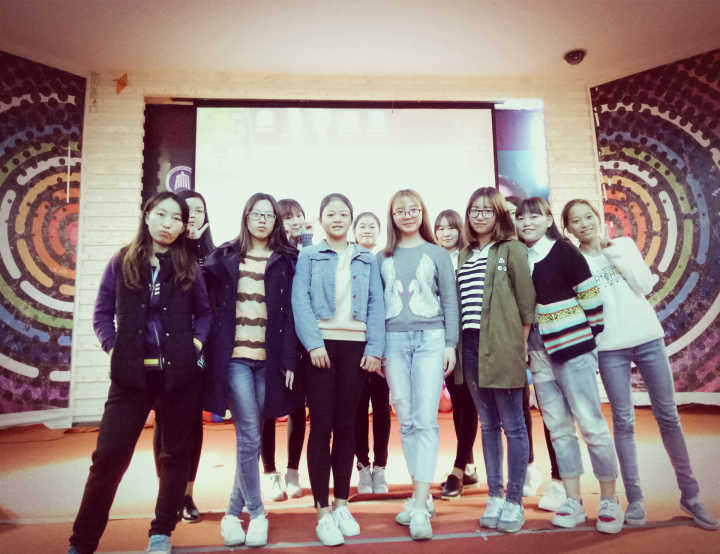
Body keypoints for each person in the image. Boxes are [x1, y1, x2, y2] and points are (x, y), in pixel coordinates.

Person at [562, 199, 719, 531]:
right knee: (623, 422)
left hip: (648, 339)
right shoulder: (574, 261)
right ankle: (635, 499)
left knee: (668, 416)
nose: (584, 223)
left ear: (597, 217)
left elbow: (644, 285)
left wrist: (613, 253)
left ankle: (691, 496)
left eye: (588, 216)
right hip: (609, 348)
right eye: (576, 220)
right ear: (568, 228)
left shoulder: (623, 247)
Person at [68, 192, 212, 554]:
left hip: (179, 378)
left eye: (176, 218)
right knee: (108, 459)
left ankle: (161, 533)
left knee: (175, 455)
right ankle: (82, 542)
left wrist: (194, 346)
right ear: (146, 216)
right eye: (161, 214)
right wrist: (113, 348)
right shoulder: (122, 261)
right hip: (130, 378)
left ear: (183, 226)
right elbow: (102, 313)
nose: (168, 224)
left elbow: (205, 313)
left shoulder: (188, 266)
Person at [516, 197, 624, 534]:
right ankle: (573, 501)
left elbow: (591, 299)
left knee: (591, 425)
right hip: (538, 356)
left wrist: (582, 341)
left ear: (549, 219)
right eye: (521, 218)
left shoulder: (564, 251)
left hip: (573, 351)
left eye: (534, 216)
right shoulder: (519, 257)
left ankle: (609, 500)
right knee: (559, 429)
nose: (527, 222)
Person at [202, 192, 301, 548]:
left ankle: (232, 513)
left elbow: (292, 314)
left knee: (253, 435)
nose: (262, 220)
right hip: (235, 358)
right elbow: (198, 280)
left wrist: (289, 359)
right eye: (256, 214)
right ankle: (257, 513)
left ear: (275, 221)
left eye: (268, 215)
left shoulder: (286, 259)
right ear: (246, 217)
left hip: (268, 360)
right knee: (248, 433)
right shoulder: (226, 255)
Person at [292, 193, 385, 546]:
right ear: (321, 219)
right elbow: (300, 301)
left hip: (355, 348)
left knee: (347, 426)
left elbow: (376, 303)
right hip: (321, 347)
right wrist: (313, 344)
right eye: (331, 213)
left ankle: (342, 504)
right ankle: (321, 511)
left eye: (343, 213)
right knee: (321, 426)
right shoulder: (309, 255)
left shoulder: (366, 258)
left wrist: (374, 349)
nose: (337, 218)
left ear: (351, 219)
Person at [378, 189, 459, 541]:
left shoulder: (437, 253)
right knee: (407, 421)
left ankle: (421, 504)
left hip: (431, 340)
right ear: (392, 216)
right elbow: (377, 307)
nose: (407, 214)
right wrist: (378, 350)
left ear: (422, 212)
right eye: (400, 210)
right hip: (394, 343)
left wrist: (451, 343)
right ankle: (419, 495)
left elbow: (451, 302)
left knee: (426, 421)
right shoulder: (382, 257)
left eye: (413, 209)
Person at [455, 188, 535, 533]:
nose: (480, 215)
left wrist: (519, 346)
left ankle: (514, 501)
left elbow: (526, 303)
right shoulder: (465, 253)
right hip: (470, 346)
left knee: (514, 426)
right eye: (474, 209)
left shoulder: (512, 249)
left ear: (499, 214)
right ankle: (495, 496)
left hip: (503, 345)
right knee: (488, 425)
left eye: (487, 210)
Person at [152, 189, 215, 523]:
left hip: (199, 349)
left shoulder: (211, 252)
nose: (193, 216)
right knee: (165, 421)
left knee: (192, 423)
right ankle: (168, 494)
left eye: (199, 211)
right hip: (164, 350)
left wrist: (199, 242)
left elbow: (212, 293)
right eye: (187, 211)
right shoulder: (162, 253)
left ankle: (187, 493)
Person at [504, 194, 566, 511]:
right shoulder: (505, 253)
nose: (519, 221)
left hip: (550, 339)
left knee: (553, 412)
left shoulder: (555, 250)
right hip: (514, 341)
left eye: (519, 214)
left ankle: (560, 480)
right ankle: (528, 467)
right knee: (517, 408)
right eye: (512, 216)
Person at [260, 198, 312, 501]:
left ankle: (293, 471)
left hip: (301, 340)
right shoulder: (271, 254)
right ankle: (269, 472)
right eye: (288, 217)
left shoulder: (307, 252)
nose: (295, 221)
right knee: (266, 407)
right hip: (272, 340)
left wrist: (306, 247)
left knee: (296, 407)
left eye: (299, 215)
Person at [433, 210, 479, 499]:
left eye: (451, 227)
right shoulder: (434, 256)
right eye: (440, 228)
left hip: (467, 337)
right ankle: (469, 465)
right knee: (458, 401)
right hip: (441, 338)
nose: (446, 233)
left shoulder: (470, 256)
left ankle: (459, 469)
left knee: (467, 401)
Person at [351, 212, 391, 494]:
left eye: (372, 226)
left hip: (382, 347)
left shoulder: (384, 261)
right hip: (354, 346)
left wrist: (382, 349)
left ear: (379, 232)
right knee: (357, 409)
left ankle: (381, 467)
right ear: (354, 231)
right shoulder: (348, 260)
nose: (367, 230)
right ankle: (362, 466)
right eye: (362, 226)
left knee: (381, 409)